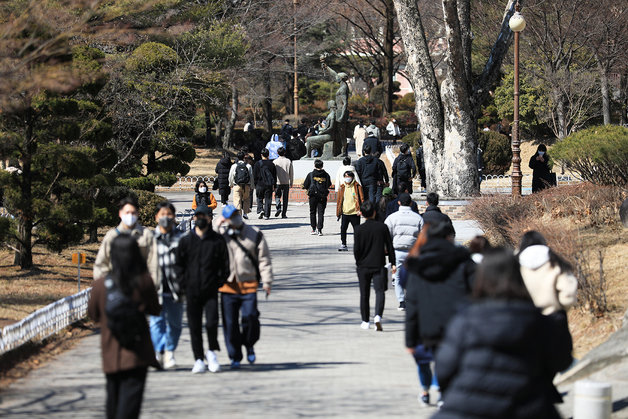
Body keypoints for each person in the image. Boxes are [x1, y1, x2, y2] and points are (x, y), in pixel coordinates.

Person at [433, 249, 573, 417]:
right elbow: (562, 361)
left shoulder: (465, 320)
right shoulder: (539, 320)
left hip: (467, 407)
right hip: (529, 406)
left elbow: (444, 368)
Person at [88, 234, 160, 419]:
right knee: (130, 405)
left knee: (112, 400)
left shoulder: (100, 286)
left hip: (111, 352)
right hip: (138, 353)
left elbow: (93, 316)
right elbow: (155, 309)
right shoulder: (144, 282)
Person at [404, 221, 476, 404]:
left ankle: (425, 389)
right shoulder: (463, 262)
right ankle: (444, 391)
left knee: (424, 361)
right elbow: (477, 295)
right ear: (448, 237)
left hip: (426, 323)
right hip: (457, 323)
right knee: (450, 360)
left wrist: (410, 339)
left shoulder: (417, 265)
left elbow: (412, 305)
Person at [174, 205, 230, 374]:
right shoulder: (185, 241)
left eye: (203, 216)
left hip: (211, 289)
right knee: (194, 325)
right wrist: (183, 283)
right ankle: (198, 358)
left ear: (209, 218)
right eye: (197, 216)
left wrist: (219, 281)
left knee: (212, 322)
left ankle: (211, 352)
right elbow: (178, 265)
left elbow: (225, 265)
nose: (200, 219)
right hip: (191, 290)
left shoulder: (218, 240)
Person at [218, 205, 273, 368]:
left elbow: (264, 259)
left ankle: (249, 344)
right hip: (228, 286)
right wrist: (218, 222)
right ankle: (234, 356)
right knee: (230, 324)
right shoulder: (221, 234)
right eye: (230, 216)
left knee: (250, 318)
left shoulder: (254, 233)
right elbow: (208, 237)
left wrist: (267, 281)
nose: (234, 218)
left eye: (236, 215)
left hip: (248, 284)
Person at [150, 202, 185, 370]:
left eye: (169, 214)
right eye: (162, 214)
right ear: (156, 217)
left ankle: (170, 351)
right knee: (156, 322)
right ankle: (159, 351)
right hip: (155, 289)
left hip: (176, 288)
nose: (166, 217)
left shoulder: (182, 238)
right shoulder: (149, 239)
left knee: (175, 324)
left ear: (174, 217)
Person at [94, 197, 158, 285]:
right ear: (120, 213)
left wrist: (150, 286)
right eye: (127, 212)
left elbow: (154, 264)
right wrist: (105, 286)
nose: (130, 215)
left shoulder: (146, 234)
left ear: (138, 214)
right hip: (116, 286)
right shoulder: (112, 235)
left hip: (140, 288)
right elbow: (101, 263)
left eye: (133, 213)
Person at [354, 200, 396, 331]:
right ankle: (378, 316)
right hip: (378, 264)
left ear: (362, 214)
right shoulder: (382, 227)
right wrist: (393, 263)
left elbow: (357, 250)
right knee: (380, 291)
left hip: (363, 266)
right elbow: (389, 246)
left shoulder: (359, 229)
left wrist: (358, 262)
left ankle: (365, 321)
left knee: (364, 294)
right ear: (374, 212)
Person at [517, 231, 578, 315]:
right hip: (555, 316)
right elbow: (568, 290)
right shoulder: (553, 259)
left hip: (527, 318)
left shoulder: (516, 264)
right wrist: (562, 308)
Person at [384, 193, 424, 311]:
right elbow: (423, 236)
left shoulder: (392, 217)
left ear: (399, 203)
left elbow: (387, 234)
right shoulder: (418, 218)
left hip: (397, 250)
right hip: (413, 251)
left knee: (397, 276)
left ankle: (401, 301)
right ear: (411, 203)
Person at [336, 170, 364, 251]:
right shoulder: (342, 187)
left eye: (349, 176)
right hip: (345, 212)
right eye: (345, 176)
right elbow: (339, 201)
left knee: (357, 230)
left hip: (355, 212)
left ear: (352, 177)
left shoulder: (357, 186)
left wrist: (361, 210)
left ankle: (358, 245)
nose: (347, 178)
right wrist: (338, 212)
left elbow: (361, 199)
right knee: (343, 229)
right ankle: (343, 244)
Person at [302, 159, 332, 235]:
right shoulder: (326, 175)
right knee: (321, 213)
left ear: (314, 165)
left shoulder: (311, 174)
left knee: (312, 212)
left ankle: (313, 229)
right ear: (322, 166)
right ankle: (320, 230)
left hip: (313, 196)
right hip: (322, 196)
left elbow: (305, 185)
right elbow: (328, 185)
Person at [229, 151, 254, 219]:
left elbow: (231, 176)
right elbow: (251, 176)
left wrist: (230, 184)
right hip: (246, 185)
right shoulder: (248, 166)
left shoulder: (234, 166)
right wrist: (252, 186)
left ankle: (239, 214)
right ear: (244, 157)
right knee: (246, 199)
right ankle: (245, 213)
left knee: (237, 200)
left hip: (237, 185)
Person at [253, 148, 277, 220]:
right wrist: (274, 185)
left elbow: (254, 175)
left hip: (259, 184)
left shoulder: (257, 164)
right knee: (268, 199)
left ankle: (260, 210)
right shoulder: (272, 164)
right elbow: (274, 176)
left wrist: (255, 184)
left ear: (261, 155)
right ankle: (267, 214)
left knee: (259, 197)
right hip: (269, 184)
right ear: (268, 155)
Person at [273, 146, 293, 218]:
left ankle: (278, 207)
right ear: (284, 153)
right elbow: (291, 172)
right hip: (286, 182)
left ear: (277, 153)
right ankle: (284, 214)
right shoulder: (288, 161)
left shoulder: (275, 162)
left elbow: (273, 173)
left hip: (278, 182)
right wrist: (291, 182)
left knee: (277, 196)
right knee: (285, 198)